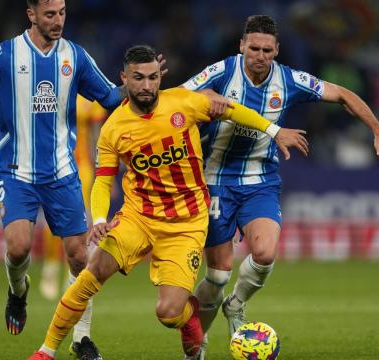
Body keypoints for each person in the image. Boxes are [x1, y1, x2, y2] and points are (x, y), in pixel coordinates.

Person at [27, 45, 308, 360]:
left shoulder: (185, 103)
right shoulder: (113, 128)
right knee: (93, 272)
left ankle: (187, 315)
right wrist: (100, 219)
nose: (146, 86)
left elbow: (233, 109)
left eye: (152, 77)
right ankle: (46, 351)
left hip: (185, 224)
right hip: (138, 217)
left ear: (159, 76)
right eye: (138, 78)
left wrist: (274, 130)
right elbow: (104, 179)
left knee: (168, 313)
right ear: (124, 79)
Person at [180, 15, 379, 358]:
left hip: (260, 181)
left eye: (267, 50)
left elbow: (343, 94)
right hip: (214, 181)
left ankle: (237, 305)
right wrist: (205, 97)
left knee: (265, 253)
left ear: (277, 51)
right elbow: (178, 97)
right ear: (242, 46)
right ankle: (195, 349)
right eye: (254, 48)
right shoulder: (222, 72)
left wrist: (378, 130)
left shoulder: (288, 80)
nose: (259, 55)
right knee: (216, 277)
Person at [0, 0, 123, 357]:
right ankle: (17, 292)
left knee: (79, 258)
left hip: (62, 172)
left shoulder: (76, 56)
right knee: (19, 247)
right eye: (50, 15)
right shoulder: (6, 54)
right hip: (15, 171)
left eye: (62, 13)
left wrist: (140, 88)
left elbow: (109, 97)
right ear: (31, 14)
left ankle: (80, 339)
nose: (58, 21)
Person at [39, 96, 107, 301]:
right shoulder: (54, 89)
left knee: (80, 222)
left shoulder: (91, 100)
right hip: (55, 166)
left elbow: (97, 137)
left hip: (82, 165)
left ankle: (76, 273)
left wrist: (101, 171)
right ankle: (50, 269)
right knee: (53, 220)